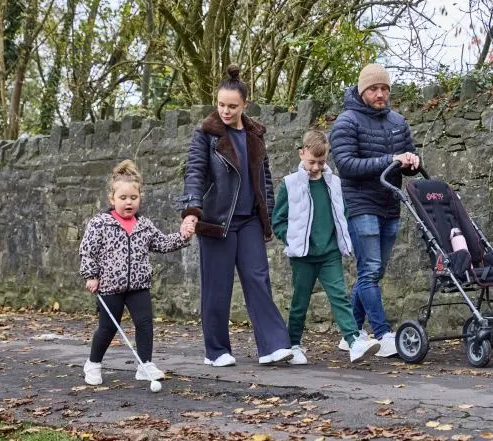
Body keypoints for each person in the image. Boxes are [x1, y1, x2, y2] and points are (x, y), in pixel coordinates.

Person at [180, 64, 294, 367]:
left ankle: (273, 346)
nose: (225, 111)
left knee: (258, 279)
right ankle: (216, 351)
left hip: (249, 221)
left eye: (232, 106)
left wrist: (267, 215)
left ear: (245, 105)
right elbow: (194, 173)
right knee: (217, 286)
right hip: (217, 222)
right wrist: (192, 211)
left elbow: (264, 178)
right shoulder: (206, 134)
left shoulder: (256, 134)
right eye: (220, 105)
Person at [329, 63, 420, 357]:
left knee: (374, 271)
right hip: (361, 204)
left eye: (384, 89)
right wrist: (389, 159)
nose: (380, 94)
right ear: (361, 90)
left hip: (390, 205)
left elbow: (405, 161)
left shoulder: (398, 121)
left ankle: (350, 333)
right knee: (369, 270)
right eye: (374, 89)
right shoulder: (346, 121)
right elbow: (346, 166)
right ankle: (383, 334)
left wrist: (411, 162)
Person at [272, 130, 381, 364]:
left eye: (321, 162)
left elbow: (342, 212)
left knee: (339, 296)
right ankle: (294, 345)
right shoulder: (289, 184)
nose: (315, 167)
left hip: (330, 252)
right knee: (300, 302)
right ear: (302, 153)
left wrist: (341, 237)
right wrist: (291, 239)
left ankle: (353, 341)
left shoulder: (334, 183)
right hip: (303, 255)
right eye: (312, 161)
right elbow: (278, 220)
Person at [80, 160, 192, 385]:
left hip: (139, 285)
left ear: (139, 198)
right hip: (110, 287)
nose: (128, 202)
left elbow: (162, 243)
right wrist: (91, 275)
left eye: (133, 198)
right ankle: (93, 364)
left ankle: (145, 365)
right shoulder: (100, 223)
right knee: (108, 327)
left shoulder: (144, 225)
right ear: (112, 199)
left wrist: (183, 236)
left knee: (145, 323)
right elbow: (87, 250)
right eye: (123, 198)